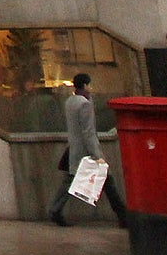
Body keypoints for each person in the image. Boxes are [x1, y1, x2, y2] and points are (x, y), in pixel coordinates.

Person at [48, 72, 128, 227]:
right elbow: (88, 132)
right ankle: (123, 215)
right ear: (85, 85)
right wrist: (97, 155)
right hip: (86, 152)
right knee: (107, 181)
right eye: (89, 85)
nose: (91, 88)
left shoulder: (70, 102)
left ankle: (55, 209)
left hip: (74, 149)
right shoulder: (85, 104)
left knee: (70, 180)